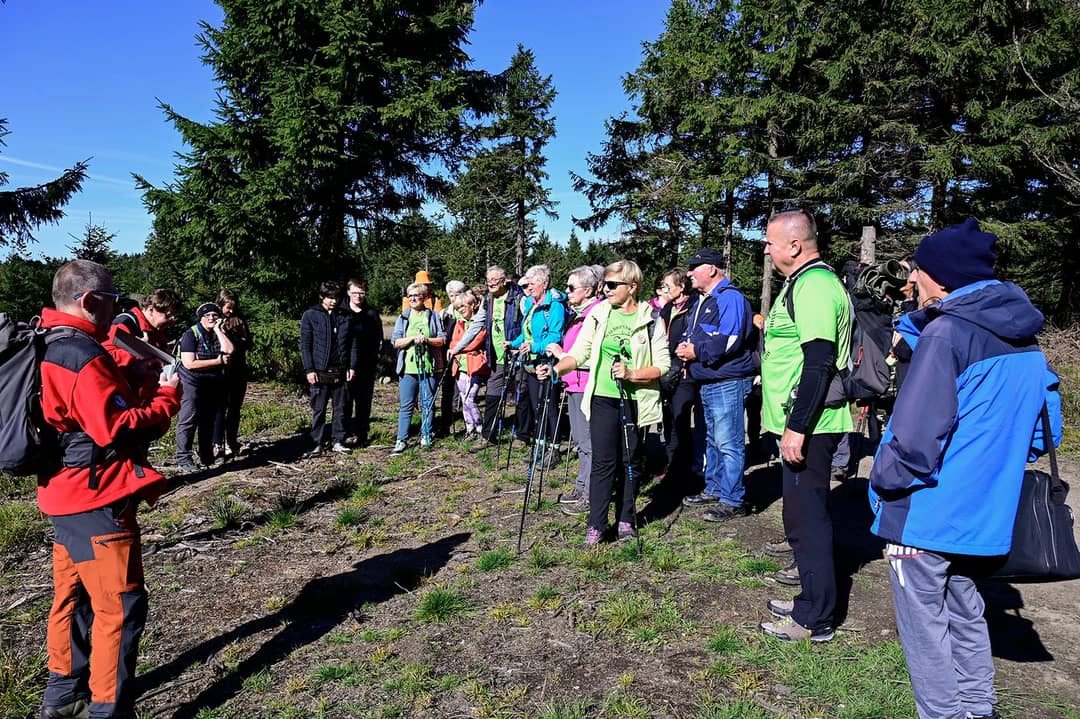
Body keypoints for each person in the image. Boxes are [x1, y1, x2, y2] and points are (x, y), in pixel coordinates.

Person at [869, 219, 1060, 719]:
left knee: (926, 631)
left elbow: (914, 439)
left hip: (926, 511)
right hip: (985, 515)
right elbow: (1045, 434)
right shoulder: (1025, 339)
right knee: (967, 610)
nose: (913, 278)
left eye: (918, 270)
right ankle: (978, 708)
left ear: (942, 276)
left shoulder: (947, 334)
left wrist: (883, 484)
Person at [37, 260, 181, 719]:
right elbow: (119, 428)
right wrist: (167, 396)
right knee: (119, 606)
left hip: (63, 492)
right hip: (96, 498)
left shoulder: (49, 340)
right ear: (89, 301)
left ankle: (63, 697)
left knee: (74, 598)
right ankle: (107, 710)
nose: (117, 308)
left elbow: (82, 401)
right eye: (113, 300)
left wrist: (134, 372)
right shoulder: (81, 356)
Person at [758, 208, 853, 642]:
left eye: (770, 242)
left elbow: (819, 362)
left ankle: (816, 617)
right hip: (800, 423)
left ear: (794, 245)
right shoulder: (801, 283)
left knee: (808, 520)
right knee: (799, 517)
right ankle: (810, 599)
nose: (766, 249)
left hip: (811, 425)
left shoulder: (814, 286)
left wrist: (797, 427)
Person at [540, 260, 669, 546]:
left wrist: (632, 374)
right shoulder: (599, 313)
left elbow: (663, 365)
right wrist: (556, 369)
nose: (606, 289)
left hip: (635, 399)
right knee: (603, 462)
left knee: (630, 461)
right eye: (604, 284)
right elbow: (579, 353)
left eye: (612, 284)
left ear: (632, 287)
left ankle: (626, 519)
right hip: (601, 397)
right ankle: (596, 525)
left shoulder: (651, 317)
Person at [677, 248, 758, 521]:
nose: (689, 273)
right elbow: (697, 335)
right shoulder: (703, 299)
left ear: (712, 269)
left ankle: (733, 499)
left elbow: (731, 339)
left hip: (727, 380)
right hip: (707, 379)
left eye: (695, 267)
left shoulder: (730, 298)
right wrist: (685, 349)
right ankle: (714, 488)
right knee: (712, 438)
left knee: (728, 441)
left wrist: (696, 352)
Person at [549, 264, 605, 516]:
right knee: (581, 442)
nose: (567, 291)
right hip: (573, 383)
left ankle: (591, 494)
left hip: (586, 384)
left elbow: (592, 355)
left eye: (572, 287)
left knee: (588, 442)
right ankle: (582, 486)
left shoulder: (596, 314)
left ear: (589, 290)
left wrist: (561, 354)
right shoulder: (578, 315)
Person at [459, 265, 525, 451]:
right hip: (496, 356)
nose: (491, 284)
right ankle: (488, 436)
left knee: (522, 395)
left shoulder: (518, 297)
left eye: (494, 280)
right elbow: (477, 325)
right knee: (492, 396)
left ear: (504, 281)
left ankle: (523, 435)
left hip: (517, 354)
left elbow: (527, 324)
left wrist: (518, 345)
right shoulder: (489, 299)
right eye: (488, 281)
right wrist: (458, 347)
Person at [509, 265, 568, 467]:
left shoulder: (555, 306)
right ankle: (540, 445)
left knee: (550, 406)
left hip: (547, 361)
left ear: (545, 283)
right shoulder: (531, 303)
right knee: (537, 407)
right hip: (531, 363)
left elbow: (555, 336)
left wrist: (535, 346)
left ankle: (555, 449)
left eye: (533, 283)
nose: (529, 287)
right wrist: (514, 343)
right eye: (527, 284)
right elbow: (526, 332)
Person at [657, 268, 704, 490]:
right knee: (667, 419)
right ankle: (671, 464)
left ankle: (683, 468)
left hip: (685, 372)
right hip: (666, 371)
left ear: (681, 286)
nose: (664, 290)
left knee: (680, 418)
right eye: (663, 286)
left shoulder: (694, 307)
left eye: (667, 286)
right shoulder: (667, 309)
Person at [175, 302, 235, 472]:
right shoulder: (191, 334)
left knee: (208, 420)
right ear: (200, 318)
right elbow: (189, 363)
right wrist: (217, 361)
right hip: (191, 381)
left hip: (211, 381)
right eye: (207, 315)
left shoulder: (217, 333)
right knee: (189, 418)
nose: (211, 318)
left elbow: (229, 350)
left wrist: (218, 330)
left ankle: (206, 455)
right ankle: (184, 458)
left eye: (215, 315)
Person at [300, 281, 357, 456]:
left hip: (341, 370)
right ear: (322, 296)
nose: (333, 301)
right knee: (319, 409)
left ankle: (338, 441)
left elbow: (352, 344)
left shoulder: (346, 316)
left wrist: (351, 366)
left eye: (336, 298)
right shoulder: (310, 315)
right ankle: (316, 443)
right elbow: (305, 345)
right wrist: (309, 369)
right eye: (329, 297)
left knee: (341, 409)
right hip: (319, 371)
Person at [391, 282, 446, 453]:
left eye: (417, 295)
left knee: (428, 403)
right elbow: (395, 341)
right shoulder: (403, 317)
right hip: (408, 368)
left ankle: (426, 435)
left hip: (429, 367)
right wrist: (412, 339)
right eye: (410, 296)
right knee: (406, 404)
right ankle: (401, 439)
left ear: (424, 297)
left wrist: (427, 340)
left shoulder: (433, 316)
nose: (413, 299)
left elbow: (442, 339)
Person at [105, 288, 180, 402]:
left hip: (147, 397)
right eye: (168, 316)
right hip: (127, 399)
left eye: (174, 317)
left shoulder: (155, 331)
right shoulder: (125, 324)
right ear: (151, 310)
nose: (172, 322)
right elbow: (105, 356)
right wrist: (137, 351)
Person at [213, 289, 253, 459]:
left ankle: (232, 441)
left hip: (238, 369)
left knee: (235, 408)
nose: (231, 311)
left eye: (233, 307)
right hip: (221, 370)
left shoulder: (240, 320)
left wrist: (241, 337)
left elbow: (249, 344)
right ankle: (217, 443)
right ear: (220, 305)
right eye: (228, 307)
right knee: (220, 408)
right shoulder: (213, 321)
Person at [344, 278, 383, 446]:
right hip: (345, 365)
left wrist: (376, 358)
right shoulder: (341, 312)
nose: (358, 296)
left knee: (364, 402)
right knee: (344, 402)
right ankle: (343, 434)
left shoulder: (371, 314)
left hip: (366, 365)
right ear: (348, 293)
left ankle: (361, 434)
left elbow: (378, 338)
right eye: (355, 292)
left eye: (361, 293)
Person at [449, 289, 488, 439]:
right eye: (458, 307)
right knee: (463, 398)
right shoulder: (459, 323)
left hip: (475, 365)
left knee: (469, 399)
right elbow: (453, 342)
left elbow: (475, 342)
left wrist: (458, 349)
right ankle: (469, 428)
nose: (460, 310)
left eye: (463, 306)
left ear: (472, 305)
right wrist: (455, 348)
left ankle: (480, 428)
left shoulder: (480, 322)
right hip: (460, 366)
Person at [439, 280, 468, 436]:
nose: (454, 298)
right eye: (451, 295)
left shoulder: (468, 311)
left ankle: (469, 425)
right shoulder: (444, 314)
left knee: (465, 391)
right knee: (447, 391)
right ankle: (445, 424)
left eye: (457, 294)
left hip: (465, 356)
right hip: (447, 357)